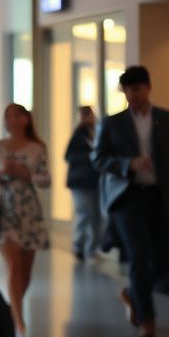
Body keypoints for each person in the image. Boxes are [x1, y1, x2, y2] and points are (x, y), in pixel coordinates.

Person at [92, 66, 169, 337]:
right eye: (127, 90)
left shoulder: (168, 120)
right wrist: (128, 164)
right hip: (128, 197)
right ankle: (146, 319)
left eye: (137, 89)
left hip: (159, 195)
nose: (132, 95)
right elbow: (99, 160)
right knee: (139, 254)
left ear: (148, 87)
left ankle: (132, 293)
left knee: (163, 258)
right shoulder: (112, 123)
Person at [0, 103, 50, 337]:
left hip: (30, 211)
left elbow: (46, 180)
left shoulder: (38, 148)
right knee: (13, 267)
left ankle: (12, 310)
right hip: (4, 211)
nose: (12, 120)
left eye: (17, 115)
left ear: (26, 119)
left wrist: (23, 172)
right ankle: (20, 325)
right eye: (8, 116)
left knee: (25, 273)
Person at [64, 105, 102, 262]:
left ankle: (91, 248)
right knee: (84, 213)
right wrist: (89, 156)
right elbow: (69, 156)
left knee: (95, 215)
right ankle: (79, 246)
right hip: (80, 181)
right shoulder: (79, 135)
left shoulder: (97, 133)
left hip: (94, 181)